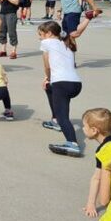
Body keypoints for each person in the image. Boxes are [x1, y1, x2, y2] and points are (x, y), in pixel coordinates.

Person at [36, 21, 83, 157]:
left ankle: (72, 143)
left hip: (62, 84)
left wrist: (48, 77)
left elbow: (47, 66)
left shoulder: (47, 43)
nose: (40, 37)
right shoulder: (66, 43)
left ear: (49, 34)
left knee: (64, 117)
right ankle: (55, 120)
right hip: (75, 83)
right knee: (48, 88)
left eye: (41, 34)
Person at [80, 108, 111, 218]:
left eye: (84, 126)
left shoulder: (103, 149)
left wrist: (90, 204)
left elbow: (97, 178)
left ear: (94, 130)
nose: (83, 129)